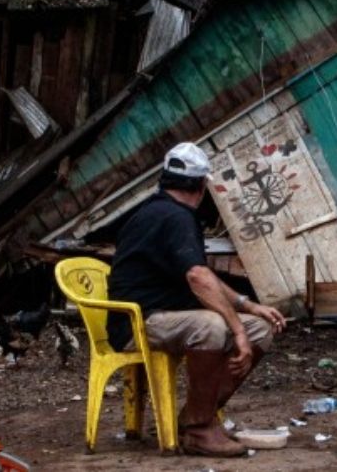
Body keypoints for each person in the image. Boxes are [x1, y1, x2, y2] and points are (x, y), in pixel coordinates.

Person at [107, 142, 286, 457]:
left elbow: (203, 275)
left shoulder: (162, 211)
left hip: (166, 316)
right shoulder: (175, 217)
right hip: (138, 322)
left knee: (261, 329)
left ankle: (193, 416)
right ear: (202, 186)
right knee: (211, 326)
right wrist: (238, 331)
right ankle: (201, 431)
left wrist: (249, 307)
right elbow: (198, 278)